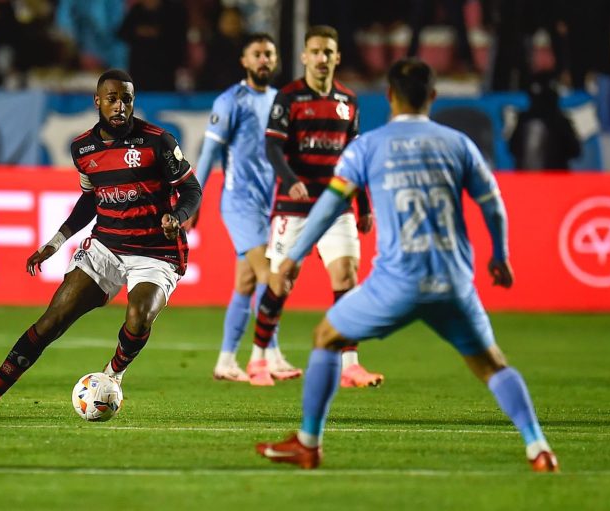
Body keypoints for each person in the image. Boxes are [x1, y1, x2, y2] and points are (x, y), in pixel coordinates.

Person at [256, 58, 559, 472]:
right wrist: (500, 256)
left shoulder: (368, 146)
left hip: (396, 282)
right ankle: (537, 446)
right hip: (453, 282)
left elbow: (329, 207)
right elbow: (494, 206)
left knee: (326, 335)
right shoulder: (458, 144)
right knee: (492, 364)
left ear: (389, 97)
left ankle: (308, 443)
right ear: (433, 97)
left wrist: (293, 255)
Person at [0, 69, 202, 419]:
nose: (120, 106)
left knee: (139, 315)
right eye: (112, 98)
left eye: (126, 99)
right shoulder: (82, 148)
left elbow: (192, 188)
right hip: (107, 246)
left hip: (155, 251)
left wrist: (179, 215)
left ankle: (113, 375)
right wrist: (55, 242)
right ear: (97, 101)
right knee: (52, 321)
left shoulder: (157, 141)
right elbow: (90, 200)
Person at [248, 25, 383, 388]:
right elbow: (272, 148)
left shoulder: (349, 101)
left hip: (336, 206)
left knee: (346, 278)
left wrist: (364, 205)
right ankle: (259, 357)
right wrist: (290, 179)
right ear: (305, 56)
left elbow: (354, 158)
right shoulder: (289, 99)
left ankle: (350, 364)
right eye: (316, 52)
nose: (322, 59)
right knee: (282, 282)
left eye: (328, 52)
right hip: (293, 207)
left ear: (336, 58)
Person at [191, 33, 302, 385]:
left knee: (246, 281)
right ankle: (269, 353)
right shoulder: (230, 101)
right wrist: (194, 197)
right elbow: (209, 154)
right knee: (271, 273)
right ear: (244, 60)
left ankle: (226, 360)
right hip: (239, 202)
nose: (264, 60)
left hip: (271, 203)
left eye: (269, 54)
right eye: (257, 54)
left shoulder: (280, 101)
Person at [509, 71, 580, 170]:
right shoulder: (524, 120)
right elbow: (512, 148)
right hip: (528, 181)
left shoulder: (560, 121)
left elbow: (575, 151)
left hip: (554, 180)